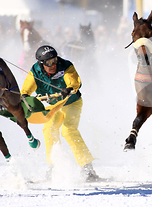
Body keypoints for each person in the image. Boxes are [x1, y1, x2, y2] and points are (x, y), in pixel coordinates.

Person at [21, 45, 99, 181]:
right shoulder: (35, 72)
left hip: (72, 103)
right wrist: (24, 97)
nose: (53, 65)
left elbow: (74, 82)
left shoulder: (65, 66)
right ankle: (54, 166)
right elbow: (25, 91)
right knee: (49, 129)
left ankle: (87, 168)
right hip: (55, 106)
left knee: (68, 130)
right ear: (41, 64)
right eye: (49, 63)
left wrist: (69, 88)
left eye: (55, 60)